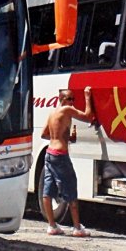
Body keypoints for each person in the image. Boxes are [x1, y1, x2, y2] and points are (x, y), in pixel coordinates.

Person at [41, 87, 94, 237]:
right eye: (70, 99)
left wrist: (67, 138)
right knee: (71, 187)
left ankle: (52, 226)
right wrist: (87, 97)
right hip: (60, 155)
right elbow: (87, 116)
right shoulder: (66, 110)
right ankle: (77, 228)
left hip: (50, 153)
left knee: (48, 189)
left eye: (74, 99)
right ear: (62, 100)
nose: (72, 102)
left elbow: (44, 134)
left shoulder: (53, 113)